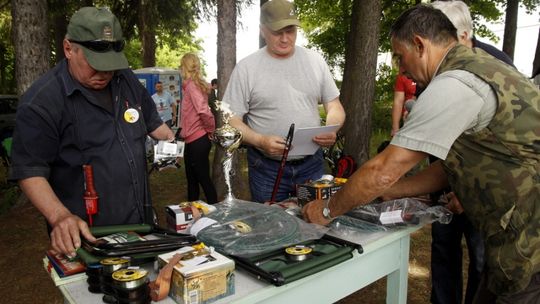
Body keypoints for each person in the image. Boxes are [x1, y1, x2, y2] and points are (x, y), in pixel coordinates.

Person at [303, 5, 540, 303]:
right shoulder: (480, 66)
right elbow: (451, 166)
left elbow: (383, 169)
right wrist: (395, 191)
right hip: (516, 240)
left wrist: (327, 210)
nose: (400, 68)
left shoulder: (455, 84)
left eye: (400, 56)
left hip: (530, 244)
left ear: (419, 44)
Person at [8, 7, 175, 257]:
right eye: (95, 64)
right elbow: (29, 170)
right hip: (88, 236)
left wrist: (174, 142)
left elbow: (153, 124)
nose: (105, 73)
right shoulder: (42, 102)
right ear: (68, 49)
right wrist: (60, 216)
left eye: (111, 65)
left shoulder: (125, 80)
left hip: (140, 226)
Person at [428, 2, 516, 304]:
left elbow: (506, 146)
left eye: (441, 37)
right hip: (444, 176)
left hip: (486, 187)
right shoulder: (435, 65)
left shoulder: (497, 67)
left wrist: (468, 192)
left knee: (482, 258)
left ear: (463, 36)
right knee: (443, 248)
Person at [222, 0, 345, 203]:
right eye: (277, 32)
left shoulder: (315, 61)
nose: (285, 38)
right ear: (263, 30)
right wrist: (260, 141)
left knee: (316, 224)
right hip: (266, 168)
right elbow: (230, 119)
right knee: (271, 228)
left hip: (312, 164)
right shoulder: (247, 68)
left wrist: (333, 127)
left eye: (290, 30)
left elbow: (334, 105)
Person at [179, 53, 218, 205]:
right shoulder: (191, 85)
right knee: (192, 179)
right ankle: (192, 213)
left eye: (181, 66)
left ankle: (217, 211)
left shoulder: (192, 86)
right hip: (191, 140)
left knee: (202, 178)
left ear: (185, 67)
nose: (180, 69)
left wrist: (210, 130)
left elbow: (203, 111)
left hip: (198, 140)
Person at [391, 69, 416, 136]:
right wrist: (395, 127)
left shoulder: (428, 74)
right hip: (407, 120)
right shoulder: (403, 75)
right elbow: (398, 101)